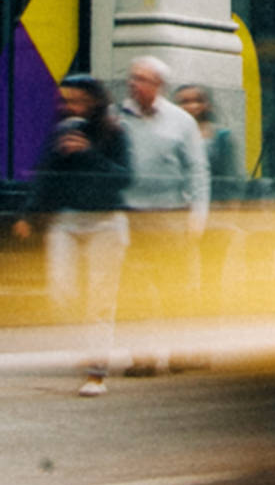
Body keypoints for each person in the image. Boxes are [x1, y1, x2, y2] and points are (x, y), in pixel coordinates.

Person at [13, 78, 131, 396]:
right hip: (66, 219)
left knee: (100, 298)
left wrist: (89, 152)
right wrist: (28, 214)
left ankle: (96, 372)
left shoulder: (114, 131)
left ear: (94, 102)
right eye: (66, 100)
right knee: (61, 292)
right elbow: (46, 175)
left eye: (78, 100)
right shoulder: (60, 131)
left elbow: (124, 177)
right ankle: (86, 344)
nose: (71, 107)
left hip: (105, 221)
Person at [120, 58, 210, 361]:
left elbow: (197, 170)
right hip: (132, 215)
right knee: (136, 291)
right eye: (133, 78)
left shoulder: (180, 121)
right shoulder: (117, 118)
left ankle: (179, 353)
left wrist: (198, 215)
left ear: (158, 85)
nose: (135, 84)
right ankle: (142, 357)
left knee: (175, 289)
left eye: (143, 79)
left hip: (171, 214)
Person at [174, 83, 241, 200]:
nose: (192, 106)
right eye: (184, 102)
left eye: (197, 101)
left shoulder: (221, 137)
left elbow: (230, 178)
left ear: (207, 105)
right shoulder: (171, 137)